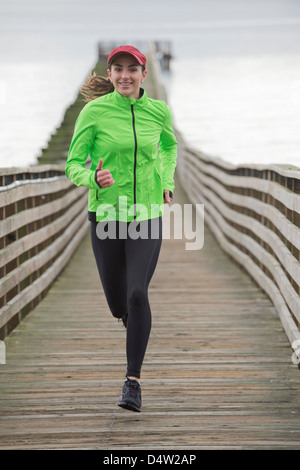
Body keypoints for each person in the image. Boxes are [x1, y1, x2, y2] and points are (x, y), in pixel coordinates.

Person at [65, 45, 177, 412]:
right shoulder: (94, 112)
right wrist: (93, 178)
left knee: (137, 294)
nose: (125, 75)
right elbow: (73, 165)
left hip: (146, 214)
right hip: (107, 216)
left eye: (133, 68)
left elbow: (169, 146)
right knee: (118, 304)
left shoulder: (157, 111)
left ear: (145, 74)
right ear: (110, 74)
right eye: (118, 69)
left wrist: (167, 181)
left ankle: (132, 382)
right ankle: (131, 321)